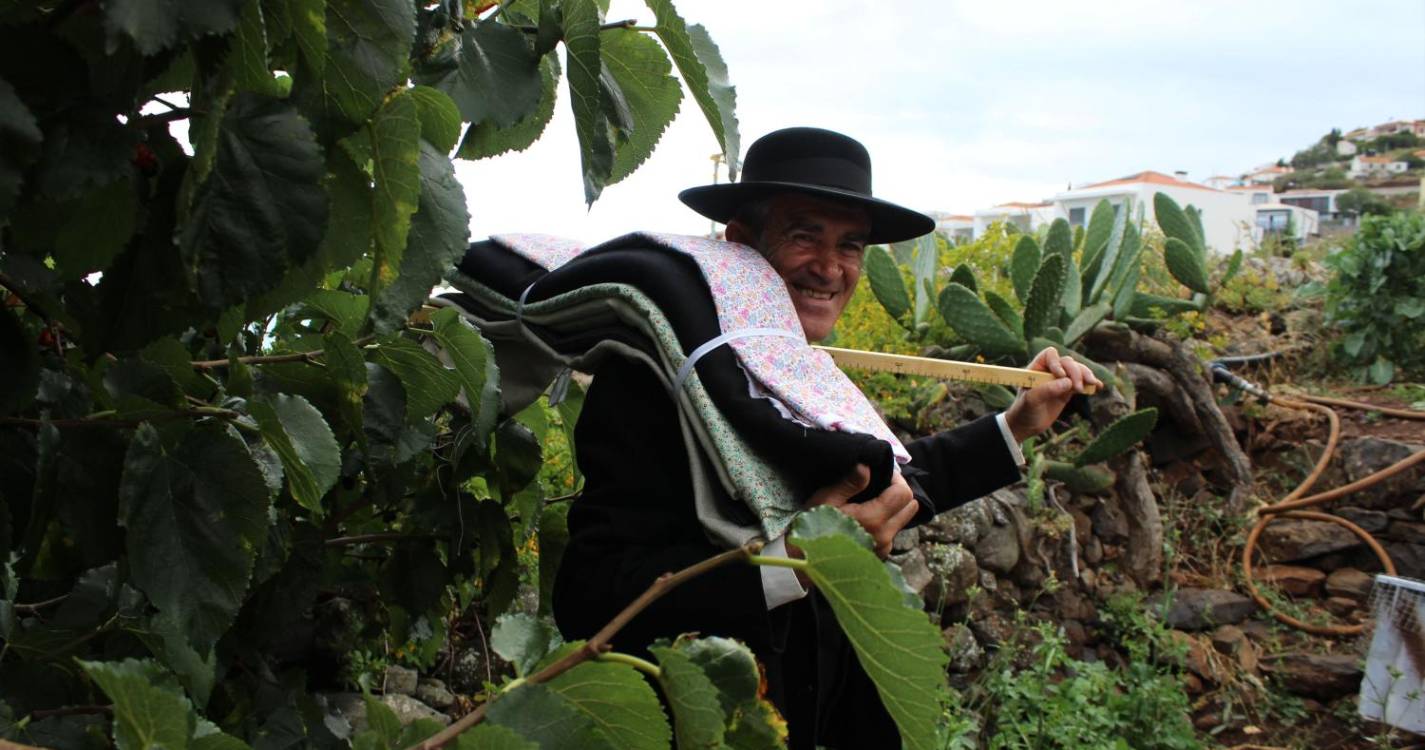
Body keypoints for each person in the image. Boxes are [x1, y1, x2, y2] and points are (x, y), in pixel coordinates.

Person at [552, 127, 1099, 748]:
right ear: (740, 244)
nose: (831, 268)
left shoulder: (805, 371)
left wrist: (1016, 425)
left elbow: (880, 494)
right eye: (804, 234)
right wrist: (789, 563)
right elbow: (590, 597)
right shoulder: (652, 381)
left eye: (851, 246)